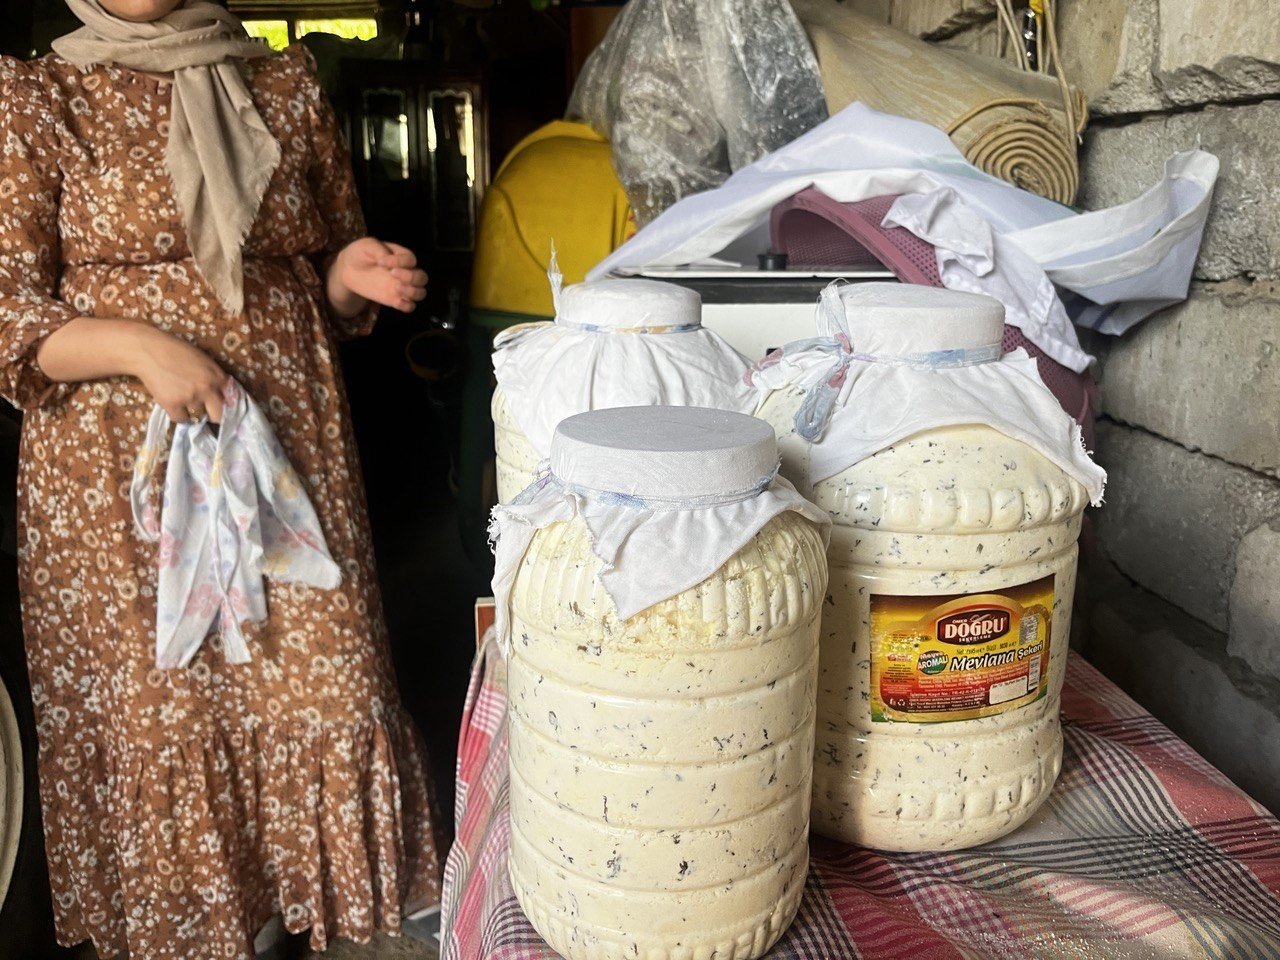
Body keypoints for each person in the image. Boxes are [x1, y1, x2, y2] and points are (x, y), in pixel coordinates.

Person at [0, 1, 441, 957]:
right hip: (114, 486)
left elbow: (320, 271)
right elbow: (8, 315)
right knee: (169, 715)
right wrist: (137, 348)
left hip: (287, 461)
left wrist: (348, 276)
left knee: (326, 691)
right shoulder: (40, 96)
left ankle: (280, 922)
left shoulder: (282, 84)